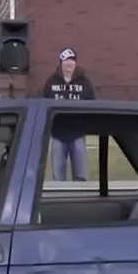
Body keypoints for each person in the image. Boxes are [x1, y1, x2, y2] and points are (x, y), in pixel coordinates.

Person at [43, 48, 96, 181]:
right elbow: (44, 105)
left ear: (75, 65)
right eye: (66, 63)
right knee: (57, 176)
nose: (68, 66)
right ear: (61, 64)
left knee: (81, 176)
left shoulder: (84, 83)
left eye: (71, 63)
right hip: (57, 135)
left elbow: (92, 106)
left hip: (78, 134)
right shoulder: (51, 82)